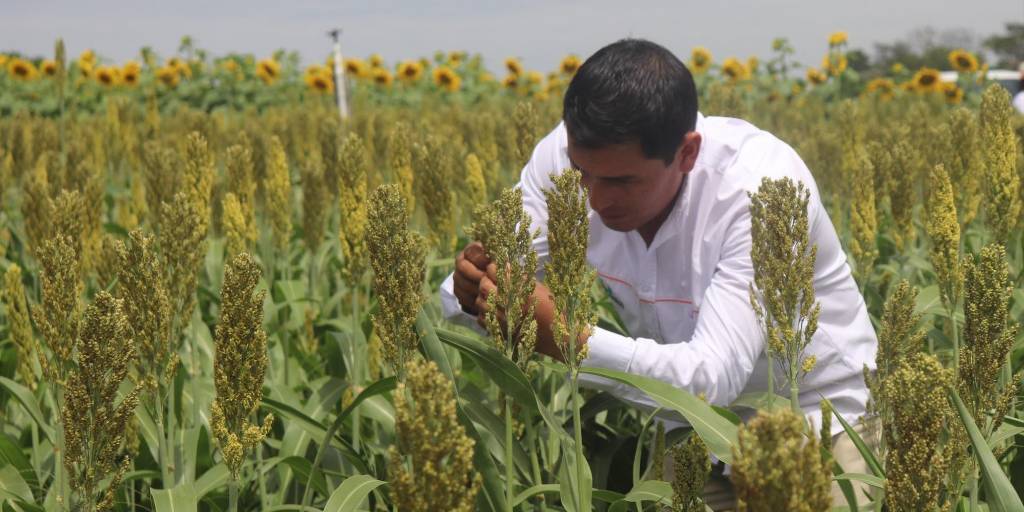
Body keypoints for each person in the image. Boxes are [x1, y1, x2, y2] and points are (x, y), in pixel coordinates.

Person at [440, 38, 878, 509]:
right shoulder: (565, 160)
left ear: (687, 153)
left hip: (818, 420)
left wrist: (570, 340)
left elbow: (712, 378)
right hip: (686, 429)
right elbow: (454, 298)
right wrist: (474, 289)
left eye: (622, 181)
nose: (593, 199)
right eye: (581, 172)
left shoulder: (760, 191)